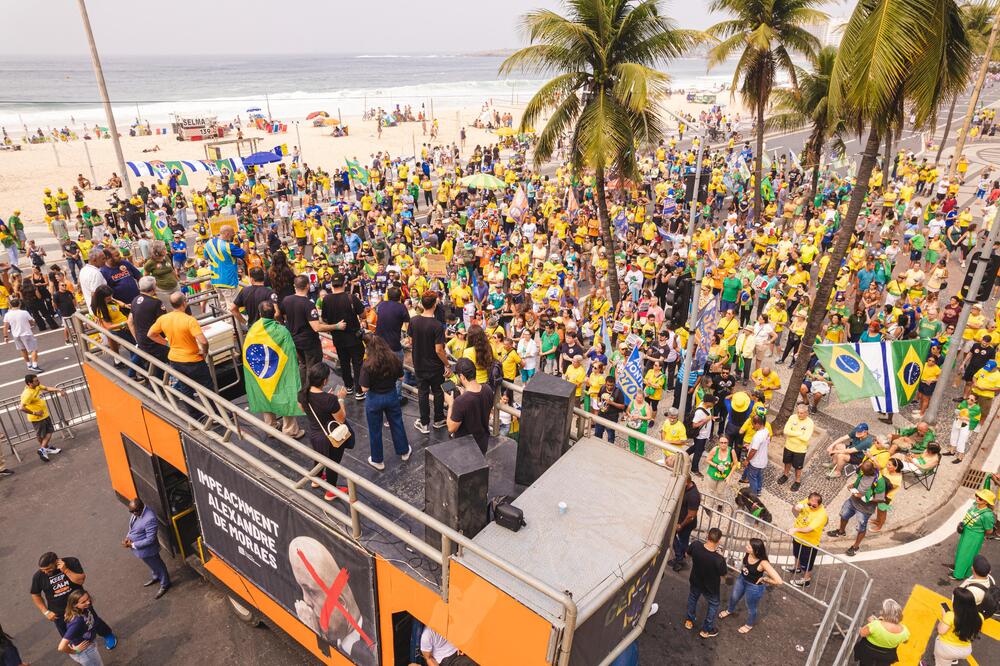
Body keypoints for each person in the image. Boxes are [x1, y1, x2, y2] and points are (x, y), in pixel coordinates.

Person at [30, 552, 116, 649]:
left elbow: (80, 580)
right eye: (43, 570)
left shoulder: (71, 562)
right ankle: (77, 649)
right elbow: (35, 594)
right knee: (68, 634)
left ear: (57, 562)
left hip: (81, 606)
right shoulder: (38, 576)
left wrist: (65, 570)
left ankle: (107, 634)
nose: (45, 572)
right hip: (59, 613)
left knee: (93, 622)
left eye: (48, 569)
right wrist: (45, 612)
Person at [147, 292, 212, 415]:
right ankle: (216, 414)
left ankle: (194, 415)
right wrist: (204, 352)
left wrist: (167, 343)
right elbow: (203, 341)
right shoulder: (189, 320)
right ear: (184, 302)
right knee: (207, 388)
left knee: (185, 388)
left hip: (175, 359)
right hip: (193, 360)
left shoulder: (163, 318)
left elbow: (150, 334)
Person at [300, 363, 353, 501]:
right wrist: (340, 399)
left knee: (319, 457)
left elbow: (303, 409)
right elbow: (341, 419)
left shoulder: (302, 394)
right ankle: (331, 491)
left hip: (315, 434)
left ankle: (316, 479)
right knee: (332, 463)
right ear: (324, 381)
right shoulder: (330, 399)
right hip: (330, 437)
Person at [359, 334, 411, 470]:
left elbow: (364, 388)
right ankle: (404, 451)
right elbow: (401, 377)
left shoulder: (367, 364)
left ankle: (377, 460)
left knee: (374, 429)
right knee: (397, 423)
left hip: (374, 398)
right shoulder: (394, 358)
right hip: (391, 395)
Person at [718, 538, 782, 633]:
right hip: (742, 579)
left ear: (755, 550)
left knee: (751, 607)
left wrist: (765, 579)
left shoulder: (763, 562)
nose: (746, 547)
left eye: (749, 546)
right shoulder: (748, 553)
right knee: (734, 597)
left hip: (754, 587)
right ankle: (729, 610)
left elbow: (779, 581)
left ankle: (749, 624)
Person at [284, 274, 338, 386]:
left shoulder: (287, 300)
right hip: (309, 343)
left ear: (295, 286)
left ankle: (303, 391)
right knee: (312, 368)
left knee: (303, 365)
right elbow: (316, 327)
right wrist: (336, 326)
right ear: (308, 286)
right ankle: (311, 393)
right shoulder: (308, 304)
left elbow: (281, 315)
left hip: (295, 340)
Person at [320, 273, 366, 397]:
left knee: (344, 363)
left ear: (331, 285)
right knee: (357, 364)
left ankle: (349, 386)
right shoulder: (351, 298)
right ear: (344, 284)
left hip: (338, 338)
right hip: (354, 337)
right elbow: (363, 315)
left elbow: (324, 319)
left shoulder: (326, 300)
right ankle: (359, 391)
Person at [827, 461, 886, 556]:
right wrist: (853, 485)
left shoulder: (879, 481)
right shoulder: (863, 472)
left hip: (865, 509)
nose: (862, 472)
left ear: (871, 471)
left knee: (861, 528)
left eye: (864, 472)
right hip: (853, 501)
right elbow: (860, 481)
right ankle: (841, 531)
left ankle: (855, 547)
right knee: (844, 515)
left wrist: (862, 497)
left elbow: (880, 499)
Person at [410, 292, 449, 434]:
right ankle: (438, 420)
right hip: (435, 366)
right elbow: (439, 350)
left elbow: (410, 340)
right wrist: (448, 364)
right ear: (434, 305)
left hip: (419, 363)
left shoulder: (414, 321)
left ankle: (424, 422)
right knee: (438, 392)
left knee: (423, 392)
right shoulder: (437, 325)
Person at [684, 527, 727, 639]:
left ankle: (689, 620)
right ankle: (706, 630)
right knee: (713, 605)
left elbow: (687, 554)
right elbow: (723, 574)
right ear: (719, 541)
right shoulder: (719, 559)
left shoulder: (696, 545)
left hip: (696, 580)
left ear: (707, 536)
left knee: (693, 598)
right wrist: (721, 556)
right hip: (711, 587)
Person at [123, 497, 170, 599]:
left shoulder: (150, 519)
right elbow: (132, 528)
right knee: (152, 565)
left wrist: (132, 545)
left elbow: (150, 539)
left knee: (159, 566)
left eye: (133, 511)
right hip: (141, 551)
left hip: (149, 550)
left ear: (140, 509)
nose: (132, 513)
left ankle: (165, 584)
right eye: (130, 511)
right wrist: (128, 537)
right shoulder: (136, 513)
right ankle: (156, 576)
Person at [445, 357, 495, 454]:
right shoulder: (487, 389)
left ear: (462, 377)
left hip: (465, 447)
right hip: (482, 442)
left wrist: (451, 404)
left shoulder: (460, 402)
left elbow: (451, 428)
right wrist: (465, 394)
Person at [128, 277, 169, 378]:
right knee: (162, 370)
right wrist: (167, 342)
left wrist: (137, 339)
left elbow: (129, 322)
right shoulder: (156, 303)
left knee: (151, 368)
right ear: (154, 288)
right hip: (156, 342)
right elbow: (164, 324)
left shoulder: (135, 300)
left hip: (142, 341)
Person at [374, 286, 410, 400]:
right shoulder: (401, 307)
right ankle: (397, 397)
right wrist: (409, 338)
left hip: (378, 345)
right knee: (398, 370)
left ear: (388, 296)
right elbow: (408, 326)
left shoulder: (381, 305)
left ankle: (381, 391)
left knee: (381, 369)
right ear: (400, 297)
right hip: (394, 346)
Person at [952, 489, 996, 580]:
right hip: (966, 532)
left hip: (974, 536)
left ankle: (958, 574)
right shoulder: (975, 505)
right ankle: (962, 569)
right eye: (977, 496)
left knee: (966, 554)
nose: (977, 498)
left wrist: (979, 533)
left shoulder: (988, 515)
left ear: (986, 502)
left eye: (981, 498)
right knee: (962, 552)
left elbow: (989, 530)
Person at [20, 374, 64, 462]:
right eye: (36, 381)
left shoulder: (36, 386)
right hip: (37, 418)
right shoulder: (27, 394)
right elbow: (21, 407)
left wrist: (59, 389)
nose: (38, 381)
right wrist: (35, 413)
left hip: (44, 415)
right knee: (45, 433)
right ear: (29, 383)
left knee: (47, 432)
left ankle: (44, 449)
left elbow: (47, 388)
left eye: (37, 379)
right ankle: (43, 449)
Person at [932, 587, 981, 666]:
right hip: (965, 650)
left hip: (946, 650)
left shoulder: (950, 616)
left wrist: (944, 617)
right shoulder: (979, 616)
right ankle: (953, 660)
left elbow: (940, 631)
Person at [853, 598, 909, 666]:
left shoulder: (875, 625)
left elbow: (862, 633)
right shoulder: (904, 631)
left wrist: (870, 623)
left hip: (868, 652)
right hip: (886, 656)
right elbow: (906, 641)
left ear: (885, 614)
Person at [789, 492, 828, 588]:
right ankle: (796, 568)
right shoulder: (809, 500)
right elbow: (798, 506)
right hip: (797, 538)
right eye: (809, 504)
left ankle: (806, 580)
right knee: (796, 554)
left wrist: (795, 529)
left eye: (814, 506)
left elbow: (808, 529)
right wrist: (798, 507)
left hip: (809, 543)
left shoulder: (821, 515)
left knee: (807, 564)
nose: (810, 506)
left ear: (819, 504)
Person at [204, 225, 246, 304]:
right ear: (227, 234)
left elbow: (205, 257)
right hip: (228, 282)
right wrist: (245, 239)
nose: (233, 236)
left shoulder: (208, 243)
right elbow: (245, 255)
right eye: (232, 234)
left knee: (223, 306)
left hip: (216, 281)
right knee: (233, 308)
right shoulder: (228, 246)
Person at [669, 476, 700, 572]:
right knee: (676, 539)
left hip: (686, 524)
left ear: (686, 482)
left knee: (682, 541)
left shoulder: (693, 496)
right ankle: (679, 558)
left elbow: (691, 515)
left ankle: (680, 560)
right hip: (679, 521)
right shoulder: (686, 489)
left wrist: (681, 525)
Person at [779, 403, 814, 491]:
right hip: (788, 446)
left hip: (800, 450)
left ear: (807, 413)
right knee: (787, 462)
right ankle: (785, 475)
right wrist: (799, 433)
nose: (799, 415)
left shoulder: (810, 423)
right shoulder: (792, 417)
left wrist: (792, 433)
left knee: (798, 467)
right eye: (798, 412)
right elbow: (786, 431)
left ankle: (797, 481)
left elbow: (805, 438)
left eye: (801, 413)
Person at [3, 298, 42, 371]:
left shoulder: (7, 315)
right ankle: (34, 365)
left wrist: (5, 336)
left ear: (10, 305)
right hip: (26, 333)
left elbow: (5, 327)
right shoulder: (24, 312)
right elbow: (32, 322)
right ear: (19, 304)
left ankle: (29, 365)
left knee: (23, 350)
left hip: (16, 335)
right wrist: (33, 323)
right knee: (34, 349)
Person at [946, 395, 981, 463]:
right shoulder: (964, 403)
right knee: (954, 435)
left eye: (971, 400)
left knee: (962, 440)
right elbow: (957, 410)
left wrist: (966, 418)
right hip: (958, 421)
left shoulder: (977, 408)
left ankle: (960, 457)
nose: (969, 400)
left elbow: (976, 419)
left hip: (967, 425)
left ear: (975, 401)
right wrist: (959, 414)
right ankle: (952, 451)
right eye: (968, 398)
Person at [703, 435, 736, 503]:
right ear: (718, 443)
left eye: (725, 442)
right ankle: (710, 503)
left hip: (724, 477)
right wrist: (716, 466)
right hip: (712, 474)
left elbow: (735, 464)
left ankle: (720, 504)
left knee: (720, 492)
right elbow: (707, 459)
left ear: (728, 443)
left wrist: (729, 477)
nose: (723, 444)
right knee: (711, 490)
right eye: (721, 442)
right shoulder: (715, 449)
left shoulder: (731, 451)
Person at [745, 414, 770, 496]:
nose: (752, 426)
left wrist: (747, 460)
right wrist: (750, 445)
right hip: (762, 460)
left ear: (758, 424)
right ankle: (758, 490)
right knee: (758, 475)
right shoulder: (766, 431)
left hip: (755, 461)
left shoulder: (758, 436)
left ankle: (753, 495)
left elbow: (753, 451)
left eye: (753, 424)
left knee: (752, 478)